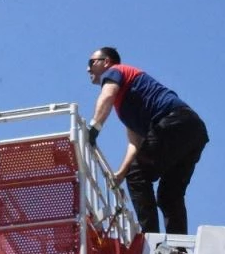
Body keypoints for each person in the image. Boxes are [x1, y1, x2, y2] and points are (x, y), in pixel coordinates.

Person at [86, 47, 208, 235]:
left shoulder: (115, 72)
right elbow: (135, 143)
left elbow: (107, 96)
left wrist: (93, 129)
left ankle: (150, 238)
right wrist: (121, 173)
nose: (88, 69)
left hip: (173, 122)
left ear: (107, 62)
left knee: (137, 176)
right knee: (169, 196)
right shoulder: (125, 105)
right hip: (192, 129)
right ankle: (178, 248)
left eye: (91, 62)